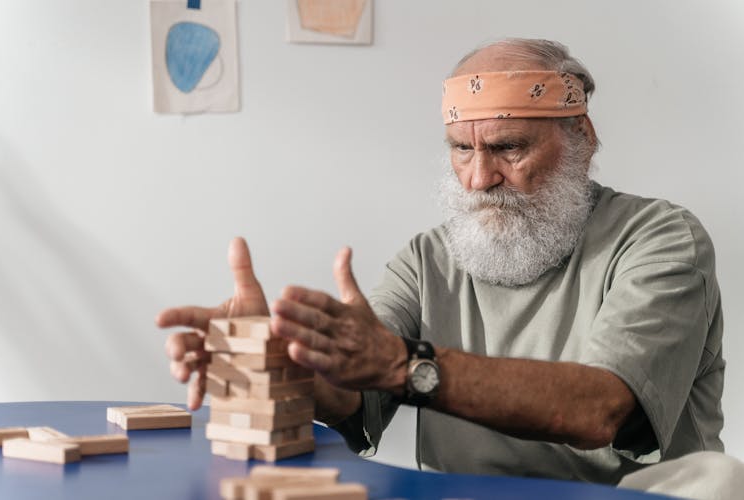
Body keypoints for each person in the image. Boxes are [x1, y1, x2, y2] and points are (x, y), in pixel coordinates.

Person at [157, 38, 729, 489]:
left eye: (509, 147)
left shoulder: (659, 238)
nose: (480, 180)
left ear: (581, 136)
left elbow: (600, 409)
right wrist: (276, 363)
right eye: (462, 149)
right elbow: (356, 394)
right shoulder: (427, 258)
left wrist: (404, 365)